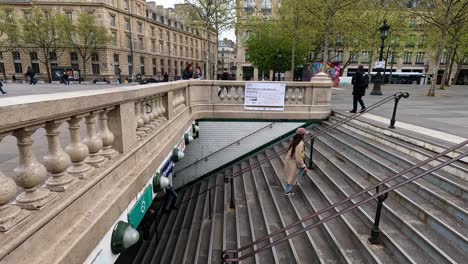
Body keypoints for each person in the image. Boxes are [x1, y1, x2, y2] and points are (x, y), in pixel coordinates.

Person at [283, 128, 309, 196]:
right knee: (292, 178)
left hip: (290, 161)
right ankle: (287, 191)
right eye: (305, 134)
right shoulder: (300, 144)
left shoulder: (296, 140)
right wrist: (303, 166)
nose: (306, 136)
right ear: (302, 135)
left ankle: (294, 181)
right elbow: (298, 158)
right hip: (293, 163)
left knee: (291, 177)